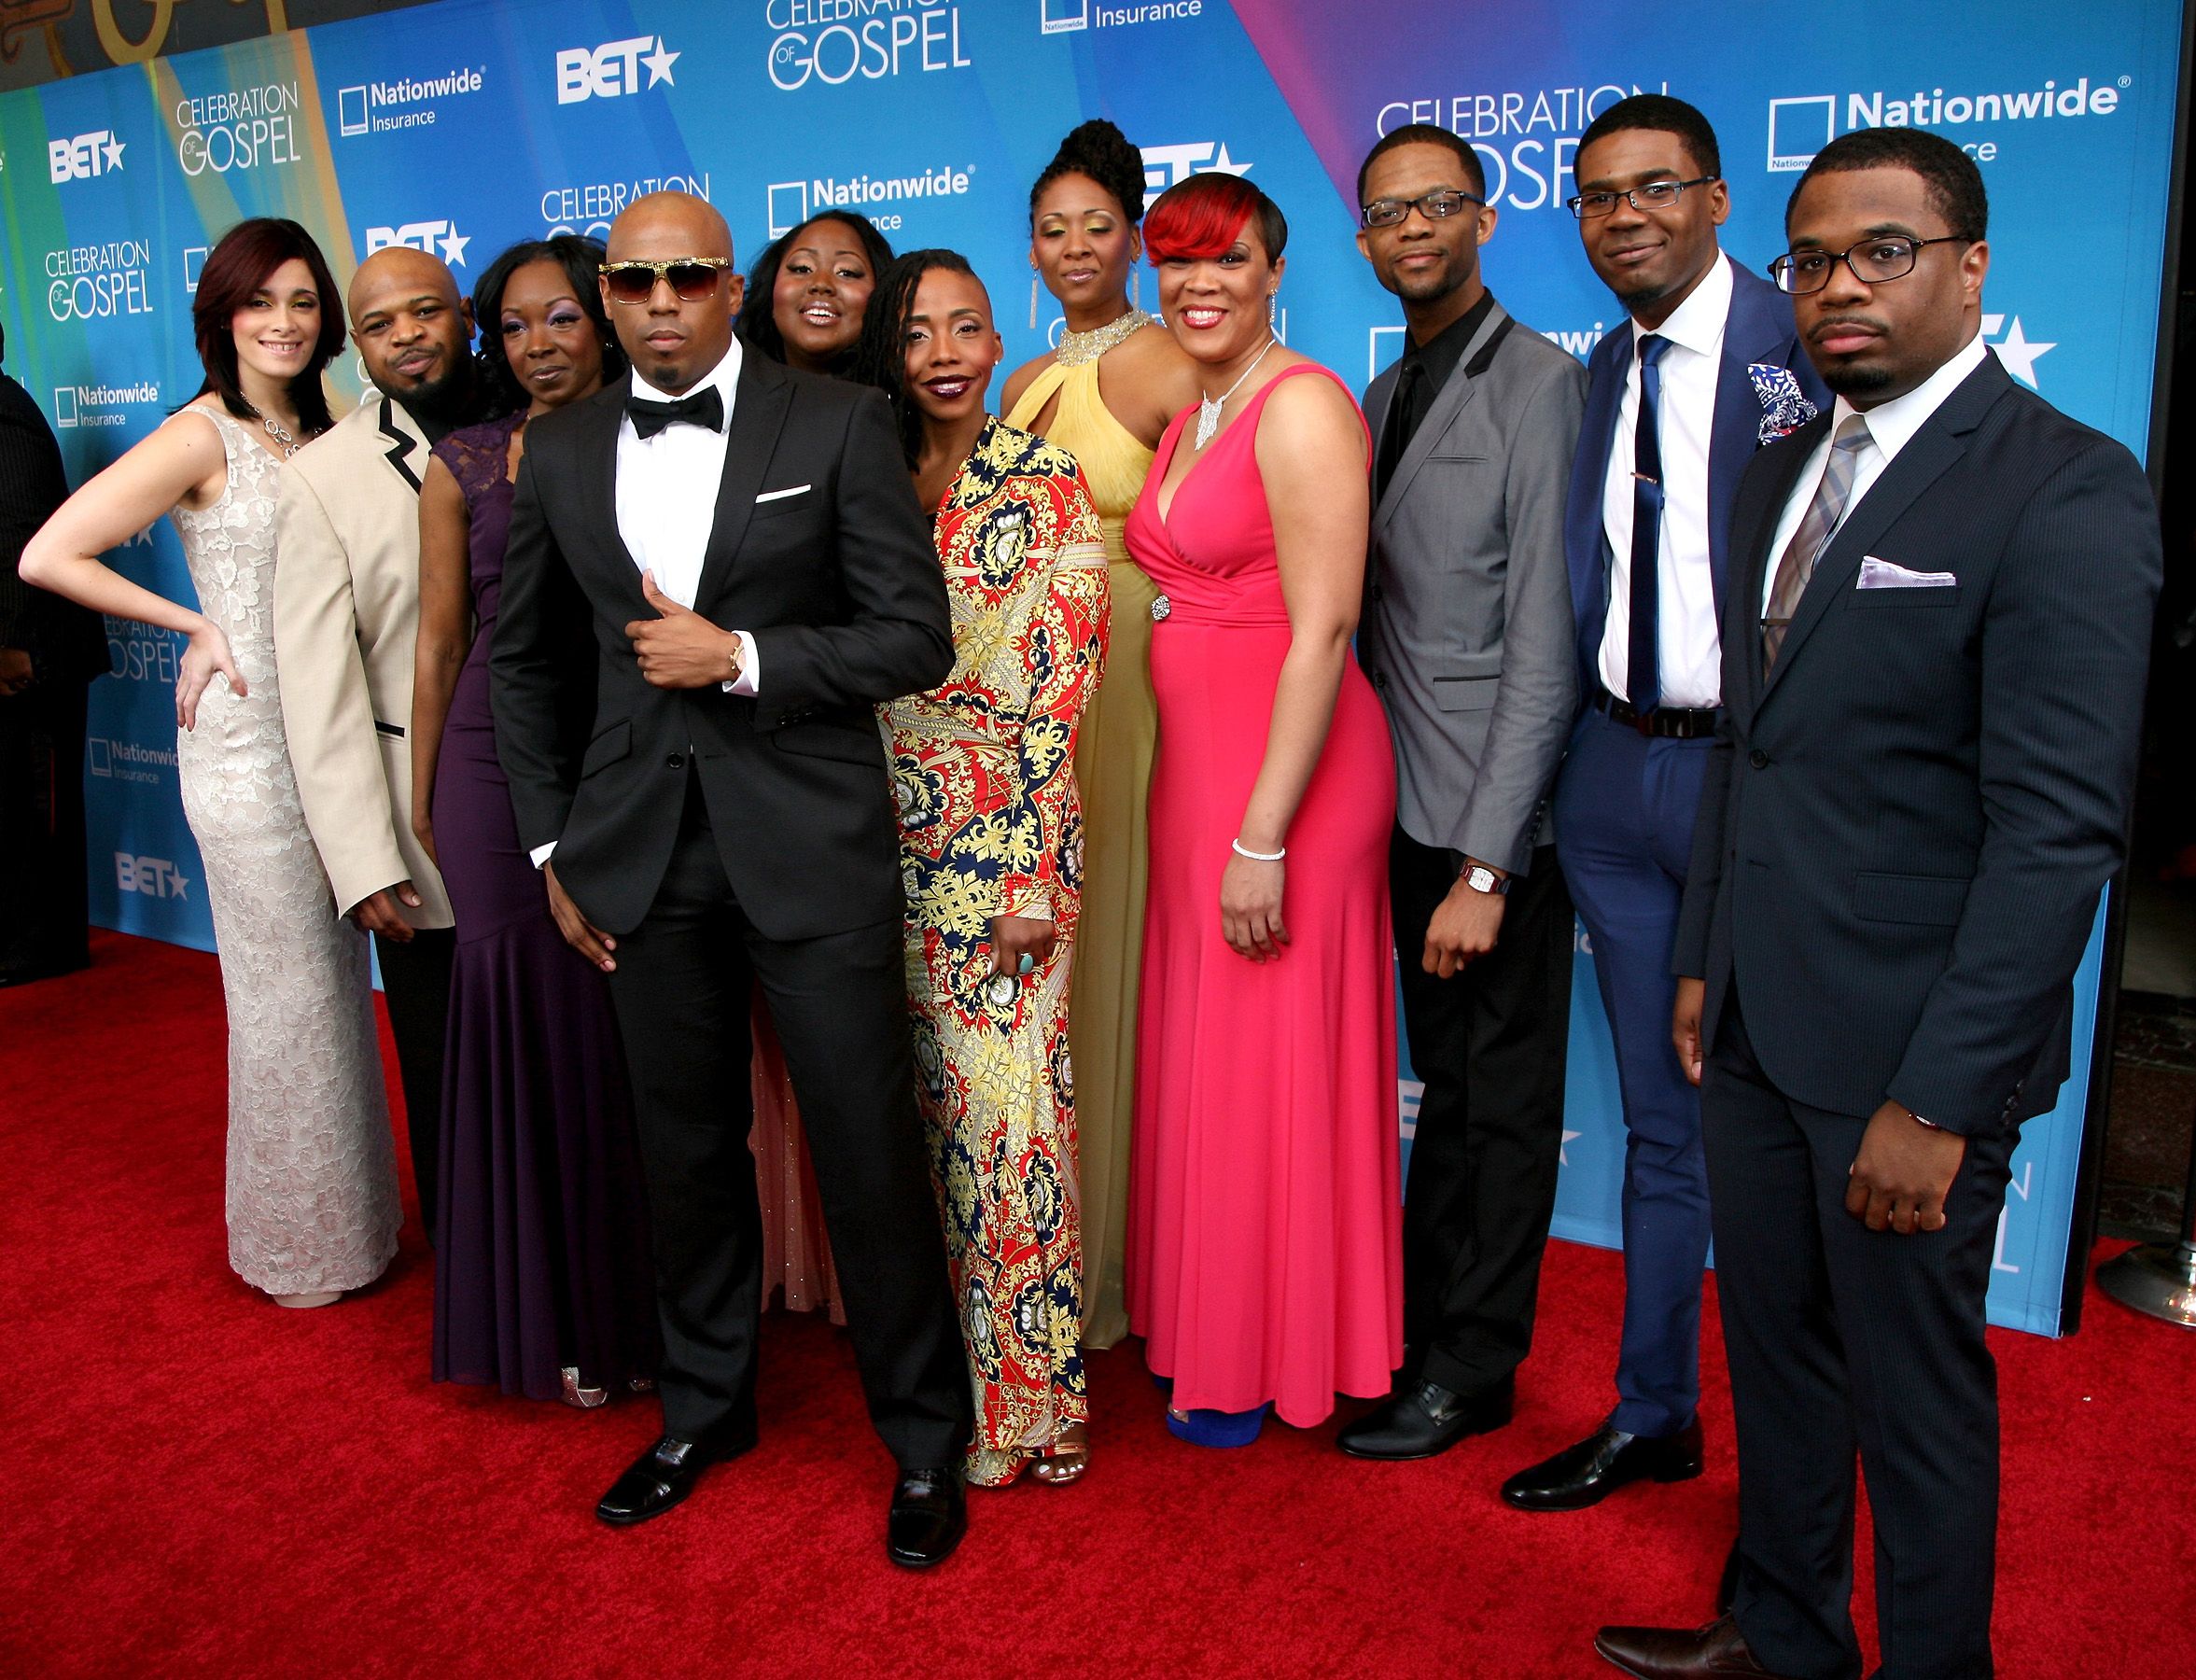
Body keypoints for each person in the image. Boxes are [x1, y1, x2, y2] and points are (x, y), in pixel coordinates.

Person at [1596, 128, 2161, 1680]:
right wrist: (1702, 957)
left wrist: (1938, 1096)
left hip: (1910, 1062)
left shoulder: (2063, 491)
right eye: (1810, 259)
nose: (1837, 288)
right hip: (1761, 1024)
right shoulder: (1775, 471)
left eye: (1880, 254)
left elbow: (2054, 834)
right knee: (1774, 1361)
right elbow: (1747, 748)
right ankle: (1780, 1632)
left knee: (1911, 1402)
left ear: (1968, 268)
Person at [488, 189, 972, 1566]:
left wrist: (746, 658)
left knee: (868, 1158)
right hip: (638, 857)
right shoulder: (565, 446)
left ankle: (924, 1441)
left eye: (686, 278)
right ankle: (705, 1410)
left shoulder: (834, 425)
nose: (656, 303)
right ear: (607, 290)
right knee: (684, 1156)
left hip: (806, 846)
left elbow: (911, 637)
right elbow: (522, 663)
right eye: (629, 281)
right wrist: (548, 846)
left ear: (729, 287)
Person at [1508, 96, 1829, 1514]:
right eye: (1594, 196)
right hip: (1612, 780)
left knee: (1781, 1133)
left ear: (1715, 200)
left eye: (1652, 189)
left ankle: (1810, 1474)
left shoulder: (1804, 347)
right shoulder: (1599, 367)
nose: (1621, 215)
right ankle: (1656, 1414)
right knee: (1658, 1122)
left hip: (1748, 790)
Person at [21, 218, 398, 1305]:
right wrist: (193, 625)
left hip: (345, 744)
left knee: (340, 988)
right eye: (257, 302)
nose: (282, 323)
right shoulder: (200, 436)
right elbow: (50, 553)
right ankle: (301, 1250)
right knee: (286, 1002)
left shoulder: (342, 421)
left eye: (301, 301)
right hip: (245, 756)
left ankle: (360, 1224)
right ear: (220, 316)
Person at [1124, 173, 1402, 1446]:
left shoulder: (1300, 409)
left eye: (1225, 260)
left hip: (1288, 784)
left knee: (1268, 1067)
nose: (1197, 283)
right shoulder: (1195, 411)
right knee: (1215, 1061)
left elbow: (1326, 625)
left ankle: (1271, 1353)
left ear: (1275, 273)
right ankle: (1209, 1324)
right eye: (1173, 261)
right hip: (1199, 774)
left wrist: (1261, 835)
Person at [1336, 125, 1587, 1462]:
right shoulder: (1385, 395)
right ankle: (1422, 1332)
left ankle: (1475, 1367)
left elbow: (1545, 641)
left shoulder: (1541, 383)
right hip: (1400, 810)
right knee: (1447, 1085)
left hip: (1492, 824)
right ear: (1364, 240)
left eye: (1436, 205)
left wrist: (1487, 866)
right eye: (1386, 213)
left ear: (1485, 219)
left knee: (1498, 1105)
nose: (1412, 229)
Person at [857, 249, 1111, 1487]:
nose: (948, 352)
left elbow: (1062, 695)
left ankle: (1038, 1403)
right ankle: (969, 1382)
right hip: (874, 846)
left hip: (1003, 844)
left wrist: (1029, 877)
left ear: (1001, 337)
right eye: (919, 333)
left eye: (967, 327)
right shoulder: (867, 474)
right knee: (932, 1140)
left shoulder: (1046, 477)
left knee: (1014, 1130)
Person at [412, 236, 660, 1407]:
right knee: (522, 1016)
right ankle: (548, 1314)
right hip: (485, 764)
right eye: (513, 327)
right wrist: (421, 796)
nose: (539, 345)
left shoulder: (656, 436)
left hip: (622, 749)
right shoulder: (459, 462)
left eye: (561, 318)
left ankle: (639, 1306)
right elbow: (441, 639)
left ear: (605, 316)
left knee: (617, 1031)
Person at [999, 118, 1203, 1351]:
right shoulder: (1024, 377)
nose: (1074, 247)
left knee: (1119, 949)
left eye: (1096, 226)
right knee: (1052, 971)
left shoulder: (1177, 361)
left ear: (1135, 237)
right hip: (1034, 702)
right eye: (1052, 229)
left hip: (1130, 682)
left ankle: (1119, 1258)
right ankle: (1046, 1238)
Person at [275, 245, 487, 1243]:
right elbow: (320, 689)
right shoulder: (325, 476)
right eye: (379, 323)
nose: (406, 335)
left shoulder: (546, 423)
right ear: (354, 345)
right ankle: (473, 1283)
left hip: (568, 807)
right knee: (448, 1068)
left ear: (465, 318)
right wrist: (359, 858)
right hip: (424, 826)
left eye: (425, 311)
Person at [734, 209, 897, 1324]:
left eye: (852, 269)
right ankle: (795, 1269)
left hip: (893, 774)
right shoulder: (712, 416)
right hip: (749, 787)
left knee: (869, 1079)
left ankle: (883, 1302)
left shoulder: (896, 419)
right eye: (803, 266)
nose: (826, 284)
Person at [1, 323, 112, 987]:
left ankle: (40, 946)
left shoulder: (4, 409)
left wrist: (11, 642)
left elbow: (20, 526)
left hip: (29, 653)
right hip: (16, 648)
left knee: (31, 799)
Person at [735, 211, 894, 376]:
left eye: (846, 272)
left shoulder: (902, 399)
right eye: (802, 268)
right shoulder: (729, 397)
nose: (821, 283)